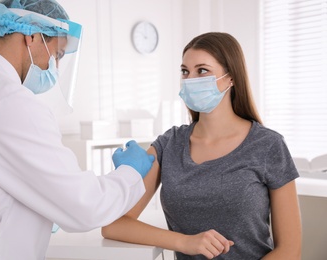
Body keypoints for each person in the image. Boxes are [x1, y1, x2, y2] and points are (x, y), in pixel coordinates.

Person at [0, 0, 155, 259]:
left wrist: (40, 209)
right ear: (31, 36)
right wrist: (129, 173)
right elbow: (86, 206)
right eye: (57, 54)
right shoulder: (9, 102)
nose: (55, 67)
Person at [102, 32, 302, 259]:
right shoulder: (169, 145)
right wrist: (185, 242)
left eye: (202, 71)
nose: (190, 80)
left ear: (231, 77)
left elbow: (290, 250)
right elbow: (114, 225)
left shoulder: (268, 145)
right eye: (185, 71)